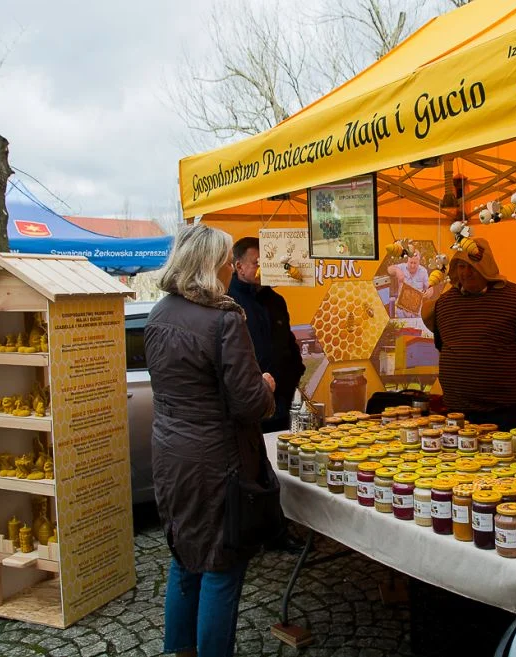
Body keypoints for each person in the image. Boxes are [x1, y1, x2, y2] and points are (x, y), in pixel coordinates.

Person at [144, 224, 276, 657]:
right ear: (208, 264)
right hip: (217, 462)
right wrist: (266, 387)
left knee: (185, 557)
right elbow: (248, 404)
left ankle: (178, 650)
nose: (227, 267)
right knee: (221, 564)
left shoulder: (159, 313)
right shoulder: (223, 319)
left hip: (170, 454)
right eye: (223, 260)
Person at [422, 237, 516, 429]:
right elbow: (442, 343)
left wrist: (503, 374)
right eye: (461, 266)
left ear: (487, 267)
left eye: (473, 266)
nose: (466, 272)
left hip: (503, 409)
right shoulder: (444, 303)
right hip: (458, 408)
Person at [226, 237, 305, 432]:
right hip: (249, 403)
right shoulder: (228, 302)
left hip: (282, 401)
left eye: (267, 262)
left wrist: (295, 372)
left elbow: (288, 342)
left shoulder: (276, 301)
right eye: (257, 263)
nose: (264, 268)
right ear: (239, 267)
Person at [387, 249, 431, 318]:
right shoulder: (401, 267)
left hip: (417, 312)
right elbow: (389, 269)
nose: (412, 265)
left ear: (419, 262)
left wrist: (429, 292)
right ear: (408, 260)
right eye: (411, 262)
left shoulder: (423, 271)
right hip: (401, 311)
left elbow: (429, 287)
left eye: (415, 263)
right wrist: (397, 270)